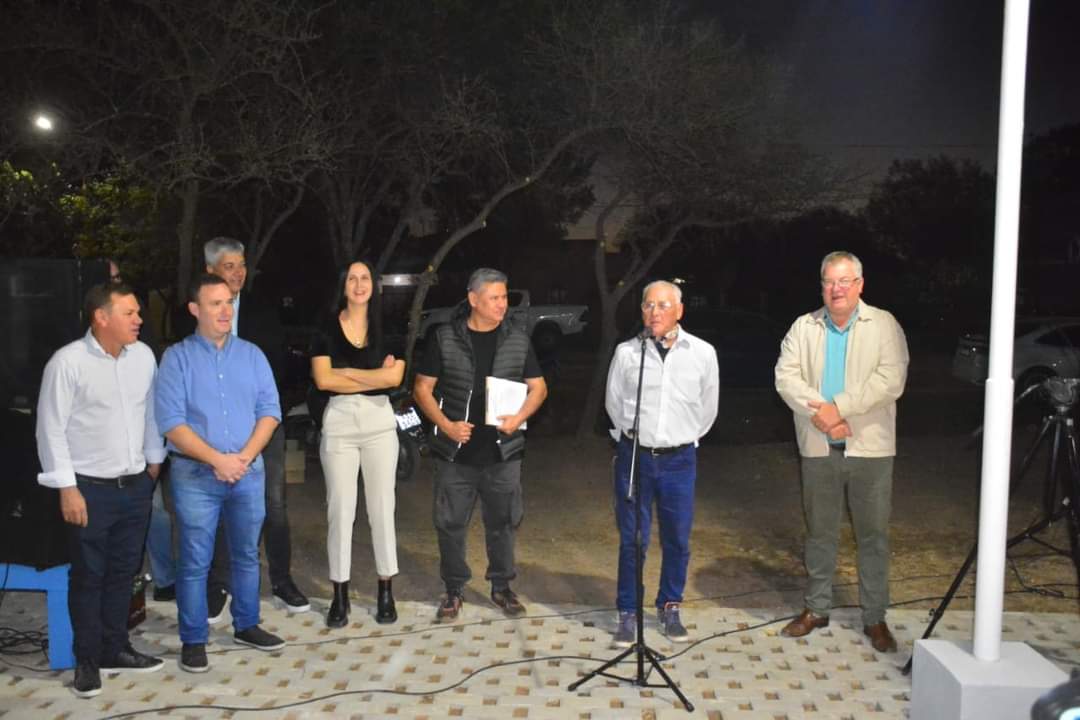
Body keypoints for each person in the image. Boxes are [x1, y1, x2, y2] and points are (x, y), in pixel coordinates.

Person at [774, 250, 909, 653]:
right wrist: (827, 417)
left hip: (870, 449)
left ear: (860, 285)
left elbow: (891, 379)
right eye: (829, 281)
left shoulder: (883, 324)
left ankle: (875, 617)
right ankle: (816, 608)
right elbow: (786, 378)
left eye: (845, 281)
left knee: (873, 536)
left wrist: (841, 407)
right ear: (822, 286)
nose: (837, 289)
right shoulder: (803, 327)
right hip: (820, 447)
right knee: (820, 533)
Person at [36, 282, 166, 698]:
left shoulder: (143, 357)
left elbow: (150, 412)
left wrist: (154, 460)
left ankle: (116, 648)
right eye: (130, 313)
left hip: (135, 486)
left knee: (124, 573)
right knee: (88, 577)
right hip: (88, 490)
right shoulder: (67, 362)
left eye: (138, 312)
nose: (139, 320)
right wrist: (66, 488)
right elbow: (50, 429)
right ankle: (87, 661)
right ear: (101, 317)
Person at [155, 273, 285, 673]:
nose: (225, 310)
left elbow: (270, 412)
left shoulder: (252, 355)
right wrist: (218, 459)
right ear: (195, 309)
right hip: (196, 476)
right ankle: (194, 639)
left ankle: (246, 624)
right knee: (195, 561)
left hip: (247, 471)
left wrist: (242, 457)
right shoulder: (176, 358)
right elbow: (171, 423)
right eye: (216, 303)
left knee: (247, 555)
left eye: (229, 302)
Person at [413, 268, 548, 622]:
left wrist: (518, 418)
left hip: (503, 452)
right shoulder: (445, 337)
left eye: (504, 297)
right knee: (450, 524)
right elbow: (422, 389)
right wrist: (447, 426)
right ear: (473, 299)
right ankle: (453, 589)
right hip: (455, 454)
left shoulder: (517, 338)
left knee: (503, 523)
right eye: (494, 298)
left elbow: (539, 388)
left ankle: (502, 586)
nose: (502, 304)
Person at [604, 280, 719, 647]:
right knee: (633, 540)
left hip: (679, 461)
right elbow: (614, 404)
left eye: (663, 305)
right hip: (635, 456)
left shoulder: (702, 353)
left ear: (679, 310)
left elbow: (708, 409)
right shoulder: (627, 353)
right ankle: (627, 612)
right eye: (648, 305)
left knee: (677, 538)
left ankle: (670, 606)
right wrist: (634, 438)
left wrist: (680, 438)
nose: (655, 312)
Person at [201, 237, 310, 618]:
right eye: (229, 266)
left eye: (242, 265)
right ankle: (219, 584)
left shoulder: (263, 310)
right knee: (218, 505)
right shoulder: (196, 314)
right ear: (211, 270)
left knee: (273, 504)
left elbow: (278, 369)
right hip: (216, 427)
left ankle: (281, 580)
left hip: (263, 424)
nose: (239, 273)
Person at [310, 259, 405, 628]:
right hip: (339, 421)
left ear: (374, 285)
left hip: (379, 420)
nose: (360, 284)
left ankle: (385, 590)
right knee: (340, 510)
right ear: (343, 285)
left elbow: (394, 379)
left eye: (365, 278)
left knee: (382, 508)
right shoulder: (325, 326)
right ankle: (340, 594)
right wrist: (373, 375)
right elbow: (323, 380)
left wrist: (347, 371)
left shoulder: (389, 325)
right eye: (352, 278)